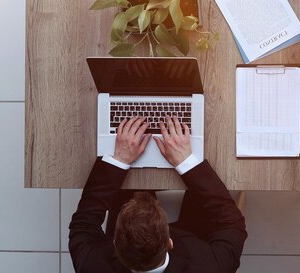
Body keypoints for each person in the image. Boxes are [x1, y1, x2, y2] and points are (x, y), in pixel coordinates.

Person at [69, 116, 247, 273]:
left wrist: (118, 161)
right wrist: (186, 162)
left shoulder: (91, 265)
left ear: (116, 243)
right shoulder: (212, 266)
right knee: (204, 199)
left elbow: (83, 224)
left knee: (132, 182)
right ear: (170, 242)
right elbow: (231, 222)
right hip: (191, 243)